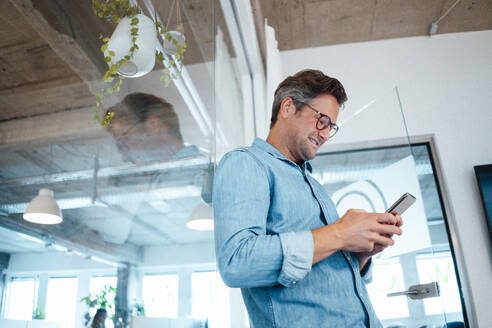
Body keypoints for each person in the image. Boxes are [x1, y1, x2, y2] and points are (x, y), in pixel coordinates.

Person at [213, 69, 403, 327]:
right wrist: (341, 233)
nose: (325, 134)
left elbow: (324, 279)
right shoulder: (246, 163)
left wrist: (361, 253)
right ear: (288, 107)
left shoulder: (313, 185)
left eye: (331, 127)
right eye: (321, 120)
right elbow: (236, 262)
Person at [105, 92, 199, 164]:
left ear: (153, 124)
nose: (124, 157)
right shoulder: (163, 177)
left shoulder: (199, 173)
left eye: (124, 141)